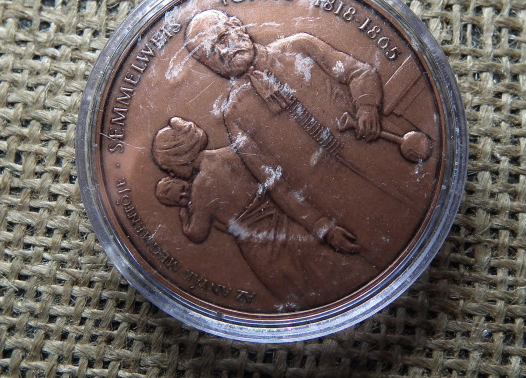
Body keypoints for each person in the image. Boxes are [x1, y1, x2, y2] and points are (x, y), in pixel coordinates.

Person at [183, 9, 391, 257]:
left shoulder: (300, 46)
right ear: (209, 67)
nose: (224, 51)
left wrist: (366, 107)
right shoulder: (235, 115)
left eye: (222, 38)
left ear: (238, 26)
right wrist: (321, 226)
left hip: (378, 156)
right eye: (211, 54)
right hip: (339, 199)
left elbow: (359, 72)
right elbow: (275, 184)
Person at [152, 117, 378, 310]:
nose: (169, 171)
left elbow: (197, 233)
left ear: (180, 155)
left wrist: (184, 213)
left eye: (167, 165)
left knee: (306, 301)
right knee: (335, 275)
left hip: (264, 252)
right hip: (292, 229)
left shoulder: (201, 188)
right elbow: (280, 187)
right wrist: (323, 226)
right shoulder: (237, 152)